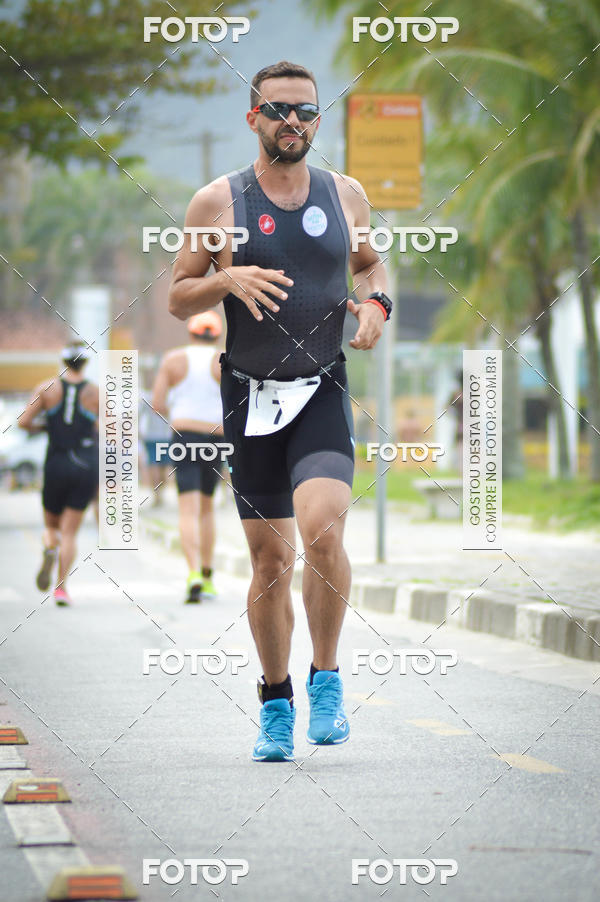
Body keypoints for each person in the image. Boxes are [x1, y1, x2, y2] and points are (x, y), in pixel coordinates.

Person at [168, 61, 392, 761]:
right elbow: (178, 295)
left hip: (321, 385)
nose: (292, 122)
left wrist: (378, 305)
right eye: (278, 111)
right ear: (254, 118)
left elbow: (370, 265)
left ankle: (326, 680)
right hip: (249, 394)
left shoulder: (345, 192)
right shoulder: (218, 203)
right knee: (271, 561)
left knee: (324, 533)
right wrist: (225, 277)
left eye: (305, 112)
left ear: (318, 122)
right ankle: (275, 701)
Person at [18, 340, 99, 606]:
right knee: (71, 532)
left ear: (63, 362)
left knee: (51, 526)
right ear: (85, 363)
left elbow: (23, 422)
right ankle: (61, 588)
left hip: (56, 462)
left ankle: (49, 546)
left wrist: (46, 428)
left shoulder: (46, 388)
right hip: (85, 463)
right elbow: (114, 430)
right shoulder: (97, 393)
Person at [152, 311, 224, 603]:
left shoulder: (172, 360)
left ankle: (192, 572)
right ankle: (207, 576)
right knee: (207, 509)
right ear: (216, 336)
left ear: (191, 333)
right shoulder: (224, 360)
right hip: (216, 438)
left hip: (184, 436)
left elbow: (157, 403)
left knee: (187, 510)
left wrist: (179, 410)